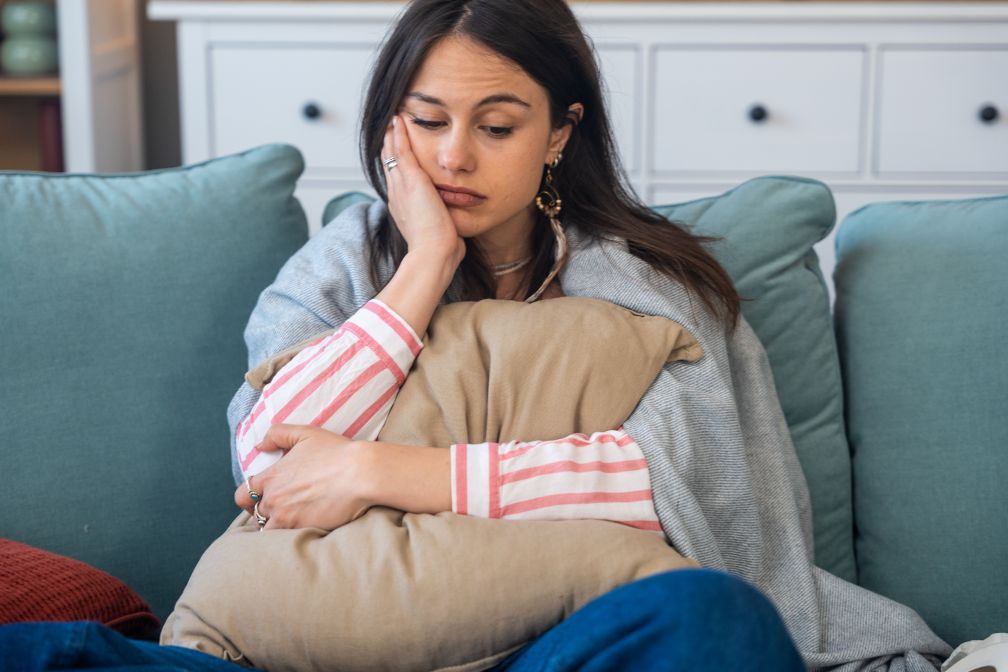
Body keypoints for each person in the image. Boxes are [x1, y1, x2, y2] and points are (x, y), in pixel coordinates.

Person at [0, 0, 954, 670]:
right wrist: (419, 269)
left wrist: (380, 471)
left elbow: (669, 490)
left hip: (556, 648)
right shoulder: (342, 266)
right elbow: (265, 456)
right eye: (427, 121)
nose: (453, 155)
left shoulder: (645, 284)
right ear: (389, 129)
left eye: (497, 126)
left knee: (712, 620)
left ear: (557, 134)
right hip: (324, 649)